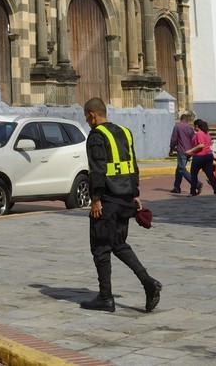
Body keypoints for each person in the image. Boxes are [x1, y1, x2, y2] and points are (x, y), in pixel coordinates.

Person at [80, 97, 162, 313]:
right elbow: (132, 164)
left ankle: (105, 297)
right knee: (118, 243)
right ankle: (148, 282)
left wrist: (95, 199)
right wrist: (135, 194)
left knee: (100, 247)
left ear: (92, 115)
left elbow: (97, 169)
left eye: (87, 117)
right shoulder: (125, 132)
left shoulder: (96, 136)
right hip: (125, 198)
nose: (87, 121)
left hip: (107, 200)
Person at [187, 118, 216, 195]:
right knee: (210, 174)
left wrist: (191, 151)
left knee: (194, 174)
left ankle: (193, 191)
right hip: (208, 155)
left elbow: (201, 145)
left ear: (197, 126)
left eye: (194, 126)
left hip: (200, 156)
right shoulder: (207, 133)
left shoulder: (199, 133)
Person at [168, 111, 195, 194]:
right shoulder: (190, 128)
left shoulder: (177, 127)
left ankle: (196, 184)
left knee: (182, 169)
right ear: (187, 120)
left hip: (182, 150)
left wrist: (171, 149)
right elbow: (193, 140)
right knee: (179, 169)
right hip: (189, 151)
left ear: (181, 119)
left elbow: (174, 139)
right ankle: (176, 187)